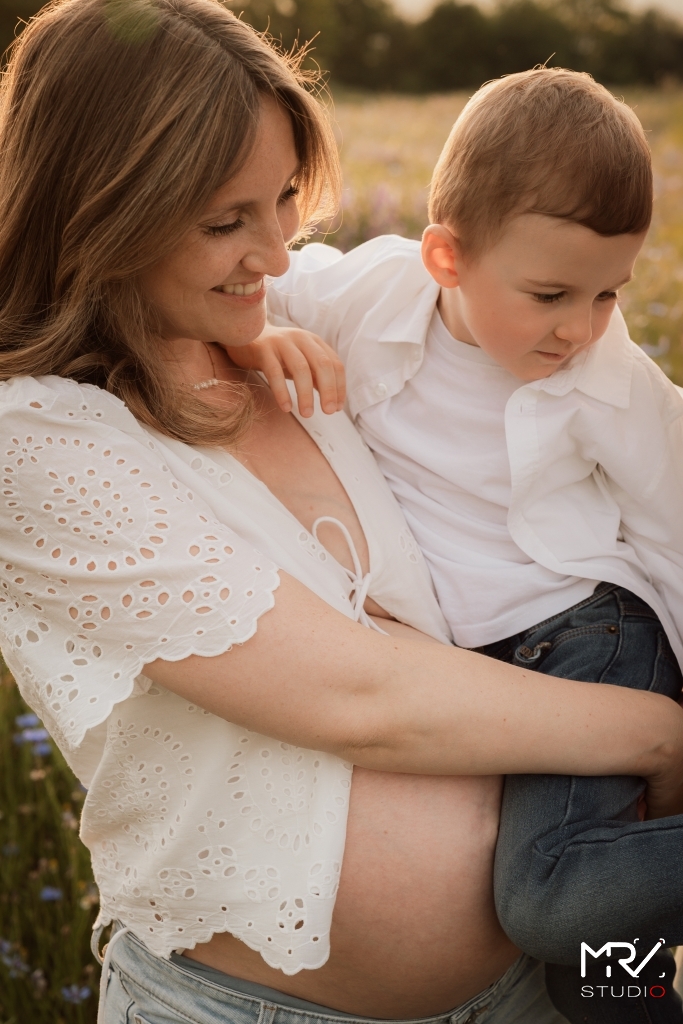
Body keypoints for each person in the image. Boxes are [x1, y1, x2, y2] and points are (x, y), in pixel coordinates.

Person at [0, 8, 681, 1023]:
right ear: (101, 209)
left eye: (282, 203)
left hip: (523, 992)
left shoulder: (298, 352)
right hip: (251, 1008)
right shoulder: (34, 441)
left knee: (631, 991)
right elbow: (361, 696)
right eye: (226, 222)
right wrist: (661, 736)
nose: (276, 254)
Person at [237, 69, 683, 1022]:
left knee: (553, 899)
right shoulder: (376, 291)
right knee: (608, 991)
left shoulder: (609, 380)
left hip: (587, 644)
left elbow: (674, 520)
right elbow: (268, 289)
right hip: (487, 666)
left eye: (609, 293)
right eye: (552, 293)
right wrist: (260, 335)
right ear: (445, 257)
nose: (581, 327)